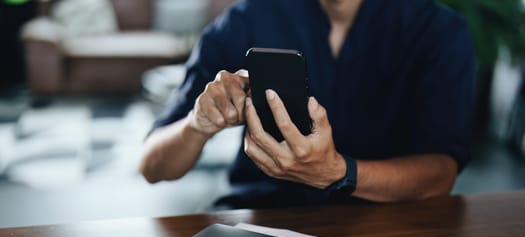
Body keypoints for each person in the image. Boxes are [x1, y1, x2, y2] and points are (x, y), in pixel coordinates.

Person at [140, 0, 475, 208]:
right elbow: (152, 165)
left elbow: (440, 175)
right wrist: (197, 124)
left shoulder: (438, 31)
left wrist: (338, 172)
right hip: (263, 222)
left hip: (385, 223)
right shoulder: (247, 19)